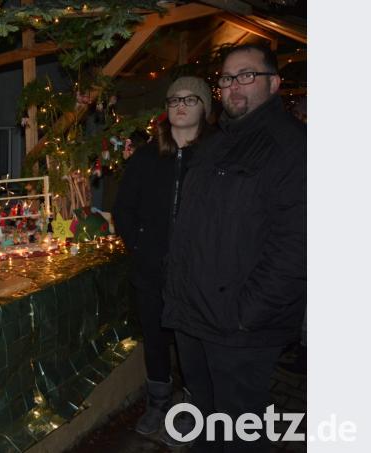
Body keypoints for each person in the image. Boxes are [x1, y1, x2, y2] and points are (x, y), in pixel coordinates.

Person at [162, 44, 305, 452]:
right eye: (226, 78)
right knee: (205, 422)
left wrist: (246, 313)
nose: (234, 86)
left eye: (247, 75)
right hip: (194, 316)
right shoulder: (217, 142)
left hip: (238, 326)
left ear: (274, 83)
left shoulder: (292, 145)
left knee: (240, 430)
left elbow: (298, 244)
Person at [112, 76, 212, 443]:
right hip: (151, 269)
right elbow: (124, 208)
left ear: (204, 107)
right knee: (154, 337)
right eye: (174, 100)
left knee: (191, 340)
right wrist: (139, 245)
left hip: (198, 273)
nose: (181, 105)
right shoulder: (147, 156)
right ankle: (158, 400)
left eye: (190, 99)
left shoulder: (216, 154)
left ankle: (190, 405)